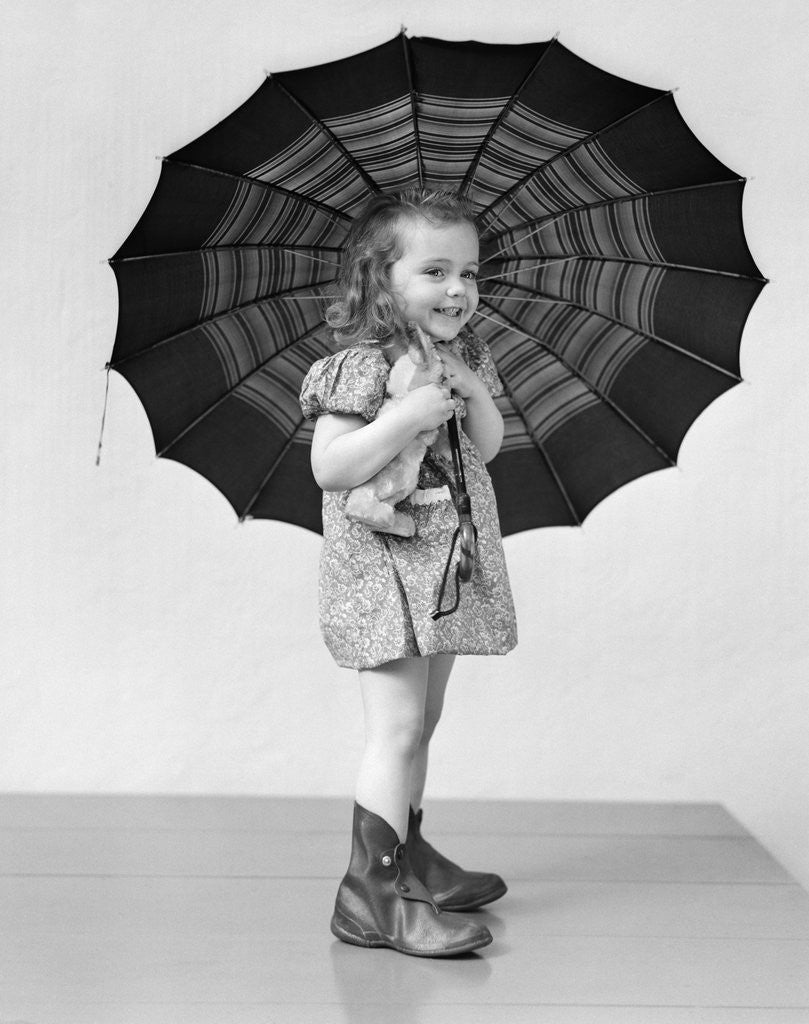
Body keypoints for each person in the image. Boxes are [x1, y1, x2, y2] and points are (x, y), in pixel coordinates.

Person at [299, 188, 517, 957]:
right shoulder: (356, 366)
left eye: (470, 272)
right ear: (380, 278)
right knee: (393, 728)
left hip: (442, 571)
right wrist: (400, 418)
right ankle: (371, 894)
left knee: (423, 723)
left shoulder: (463, 357)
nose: (458, 289)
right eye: (434, 270)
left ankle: (409, 855)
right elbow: (330, 467)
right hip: (382, 573)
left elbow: (482, 452)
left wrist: (472, 391)